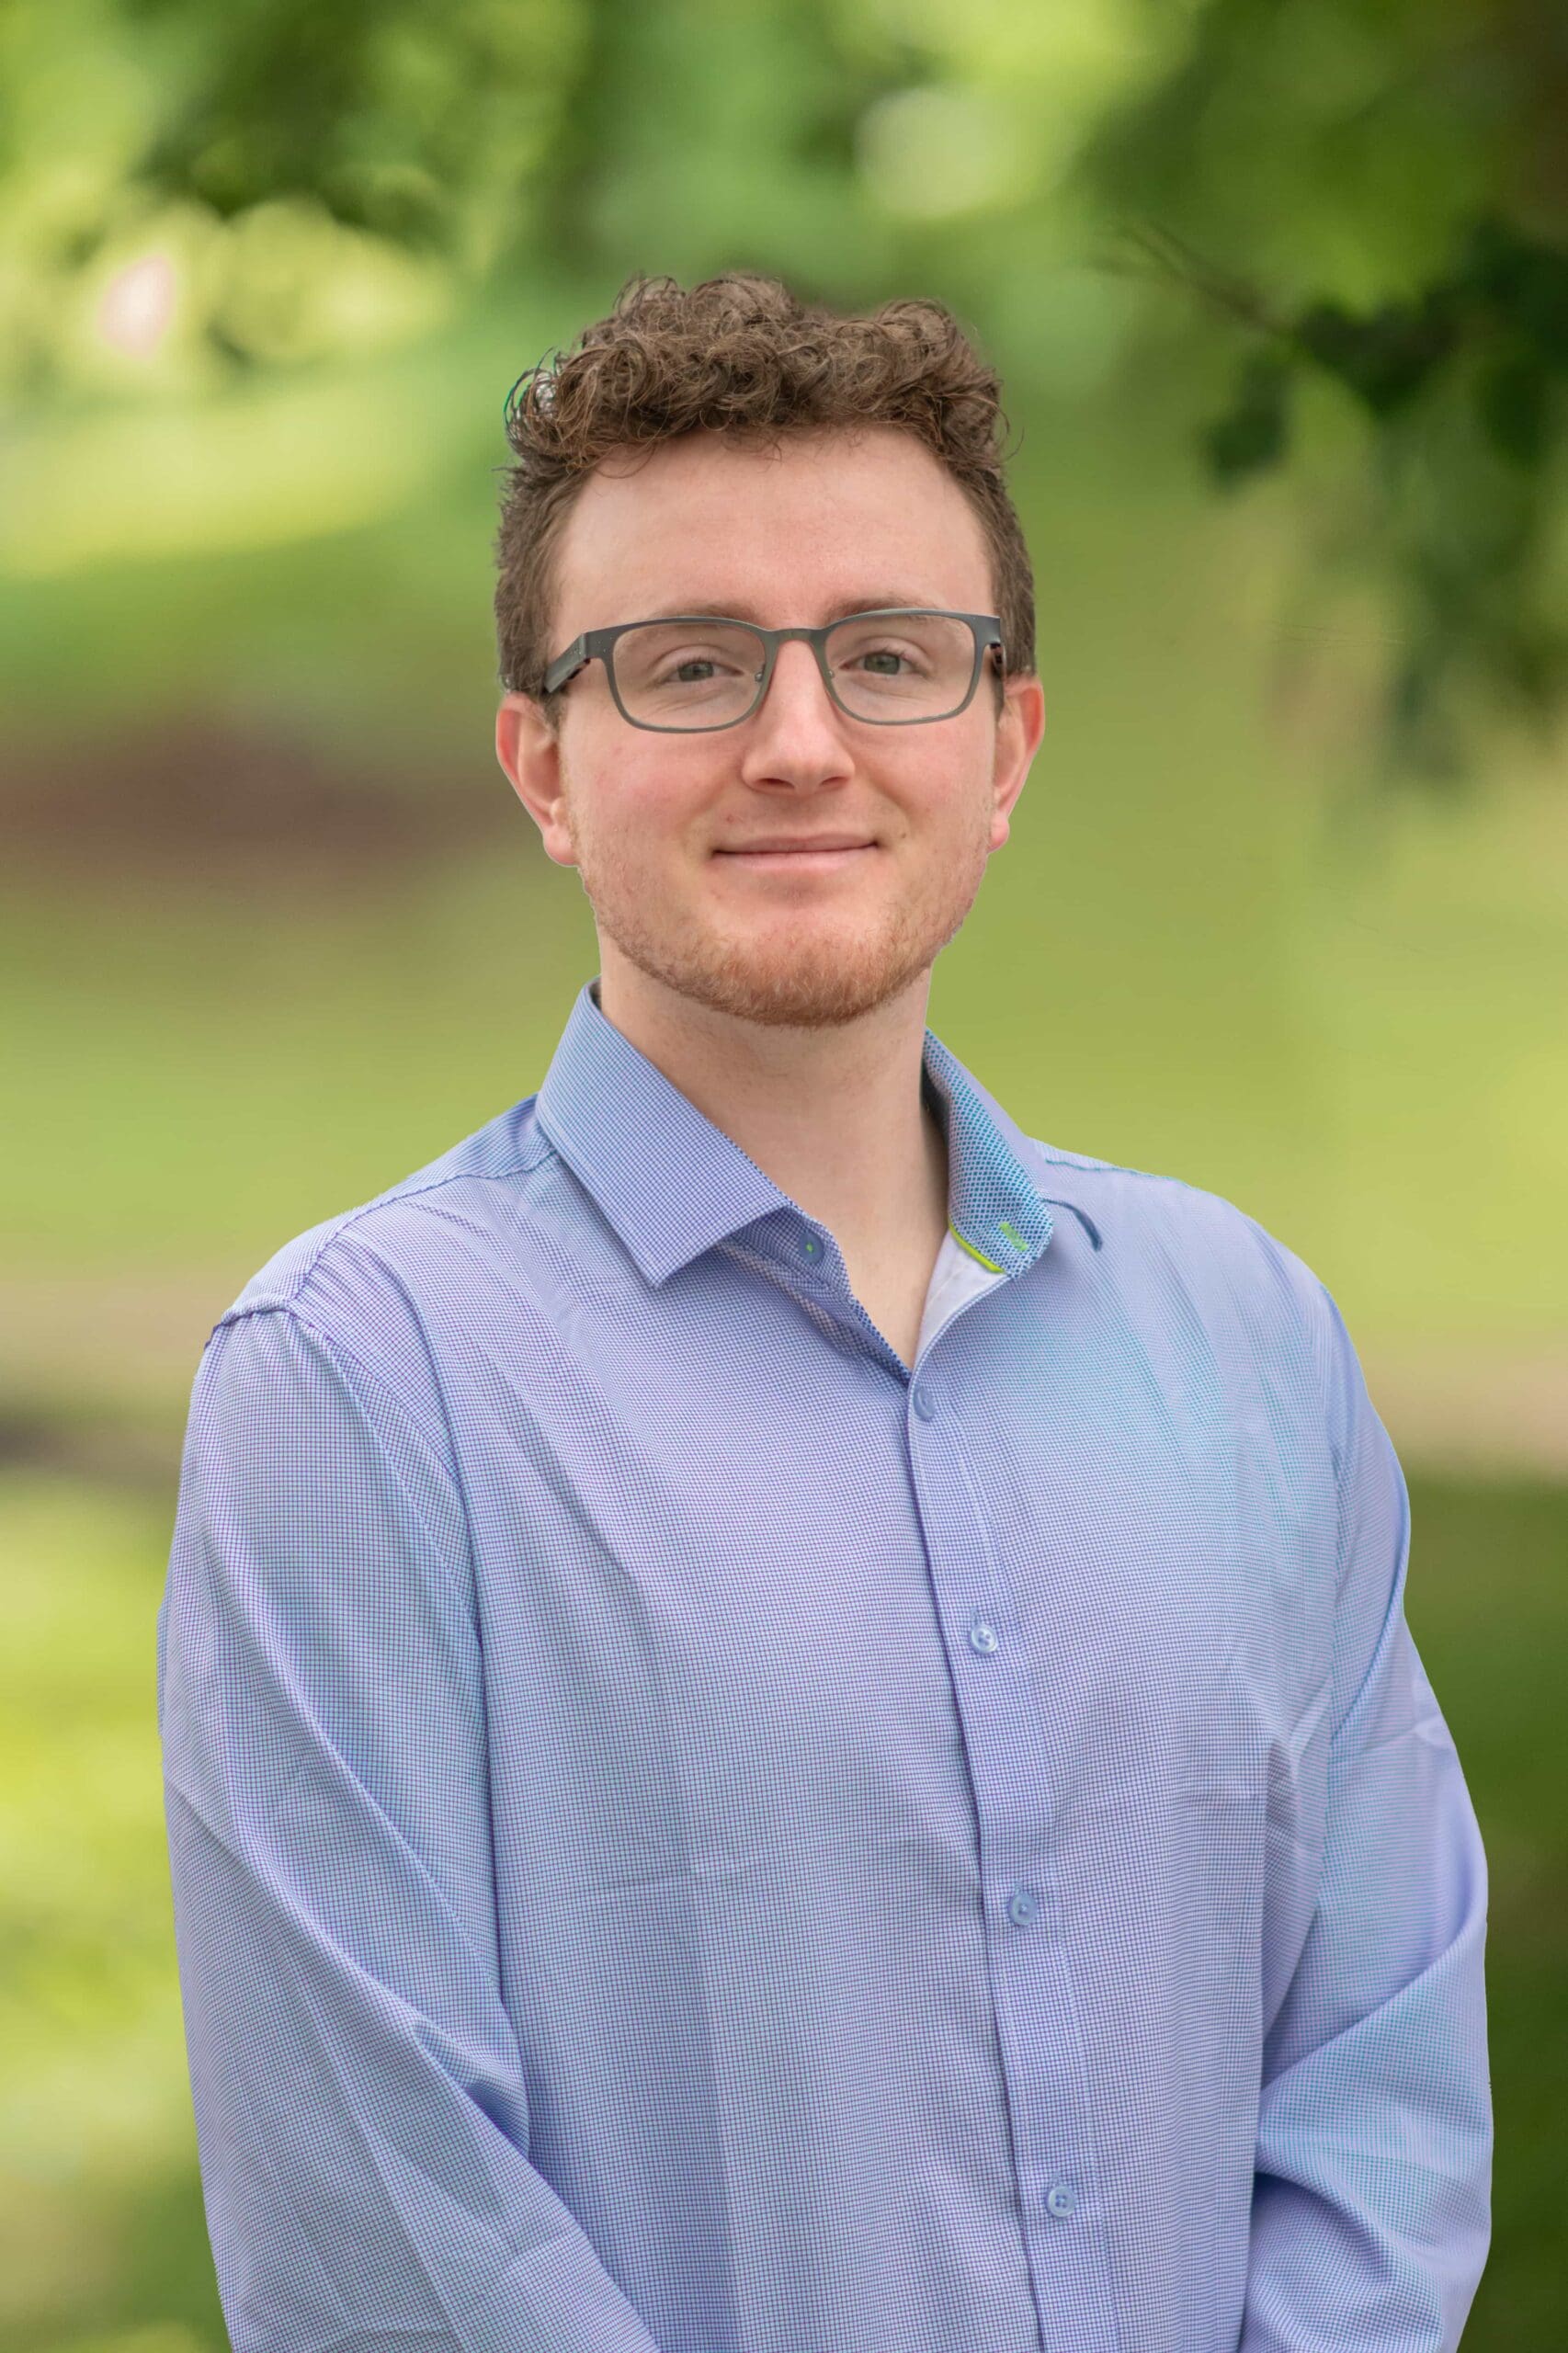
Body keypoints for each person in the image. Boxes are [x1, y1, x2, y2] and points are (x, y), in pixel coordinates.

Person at [156, 270, 1491, 2353]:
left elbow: (1382, 2084)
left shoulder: (1244, 1341)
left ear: (1004, 741)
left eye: (887, 656)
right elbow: (384, 2231)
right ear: (541, 762)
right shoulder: (359, 1381)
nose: (799, 744)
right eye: (689, 665)